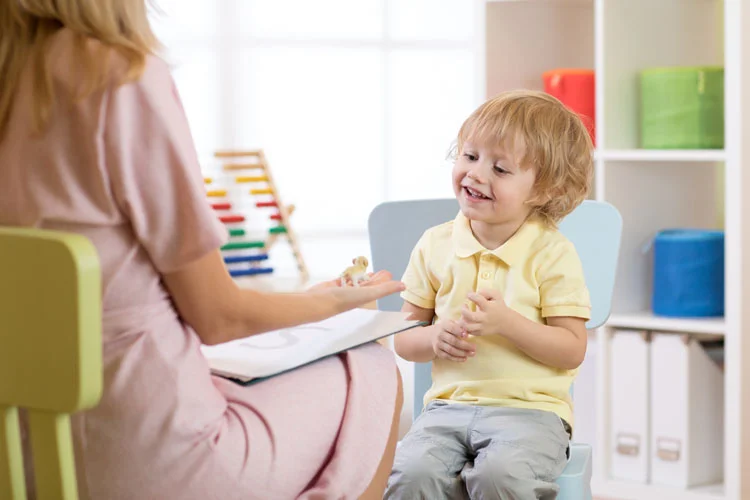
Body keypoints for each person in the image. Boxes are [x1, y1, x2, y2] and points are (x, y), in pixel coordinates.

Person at [0, 2, 405, 499]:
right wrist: (331, 305)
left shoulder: (10, 72)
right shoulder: (117, 75)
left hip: (27, 448)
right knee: (372, 369)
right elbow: (218, 319)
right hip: (149, 456)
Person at [384, 90, 594, 500]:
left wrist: (508, 324)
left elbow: (572, 349)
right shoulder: (435, 244)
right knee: (410, 473)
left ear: (545, 190)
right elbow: (404, 338)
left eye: (500, 168)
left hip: (532, 413)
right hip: (445, 411)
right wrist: (432, 337)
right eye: (469, 156)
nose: (476, 174)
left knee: (502, 475)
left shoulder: (552, 252)